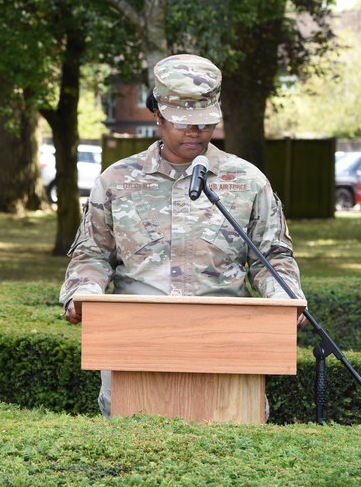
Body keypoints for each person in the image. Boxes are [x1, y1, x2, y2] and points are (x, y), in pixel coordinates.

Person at [59, 54, 306, 418]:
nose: (195, 132)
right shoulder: (116, 181)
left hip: (228, 346)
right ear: (157, 113)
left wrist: (285, 296)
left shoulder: (247, 181)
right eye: (184, 123)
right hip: (135, 345)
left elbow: (272, 256)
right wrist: (84, 294)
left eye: (204, 124)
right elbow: (93, 254)